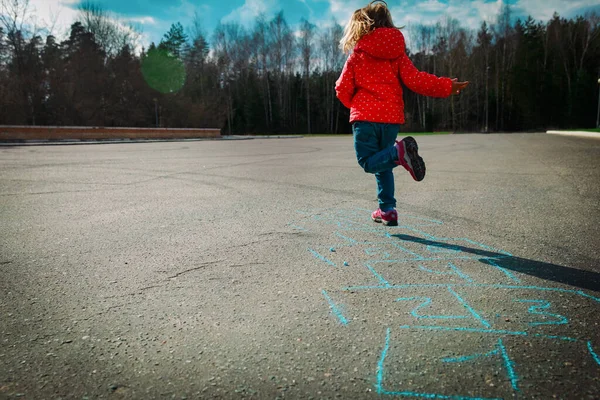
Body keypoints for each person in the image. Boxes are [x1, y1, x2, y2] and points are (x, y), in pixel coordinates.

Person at [336, 0, 468, 226]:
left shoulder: (358, 54)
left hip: (365, 119)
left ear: (362, 26)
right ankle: (387, 210)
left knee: (368, 162)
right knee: (384, 162)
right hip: (390, 118)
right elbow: (416, 80)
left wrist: (354, 105)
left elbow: (342, 87)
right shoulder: (396, 55)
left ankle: (399, 153)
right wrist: (446, 86)